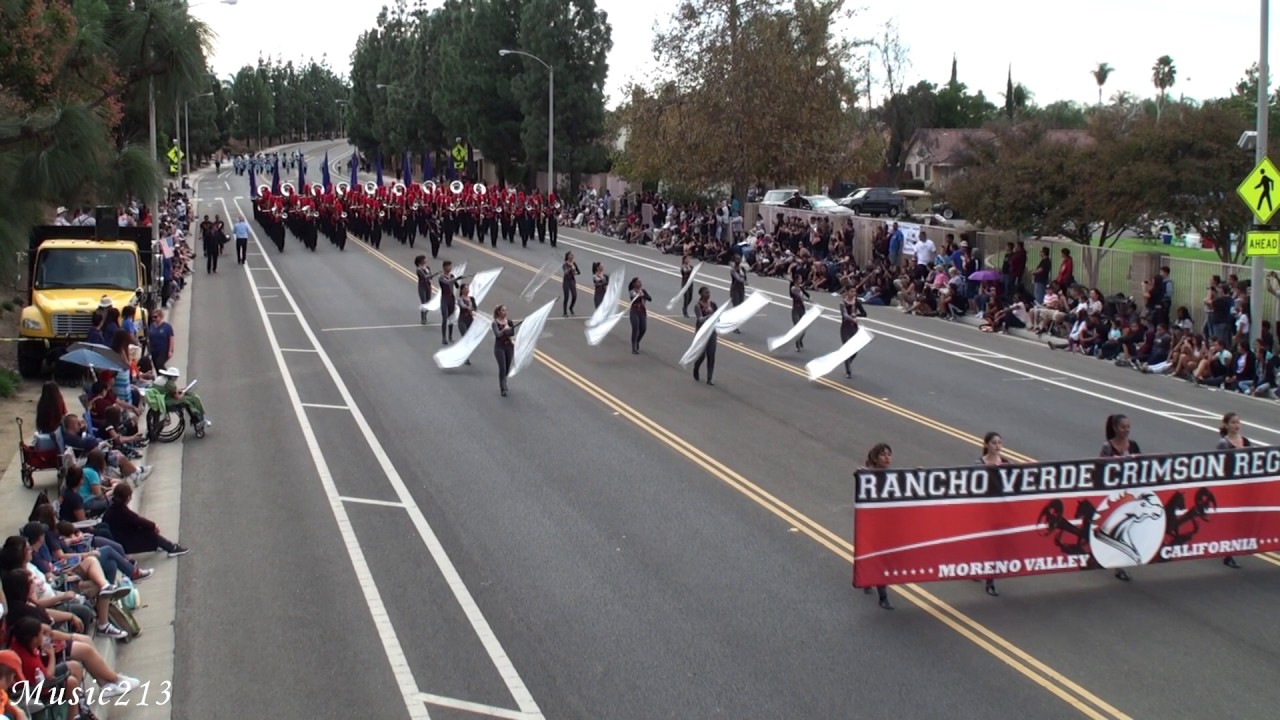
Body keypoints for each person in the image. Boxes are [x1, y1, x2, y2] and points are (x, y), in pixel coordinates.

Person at [1100, 414, 1141, 581]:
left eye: (1128, 427)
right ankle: (1119, 566)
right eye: (1123, 427)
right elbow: (1101, 468)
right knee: (1117, 528)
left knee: (1129, 528)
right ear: (1116, 428)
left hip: (1131, 493)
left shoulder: (1134, 445)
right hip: (1115, 494)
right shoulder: (1108, 447)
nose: (1127, 430)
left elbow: (1143, 465)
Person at [102, 484, 188, 557]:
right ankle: (171, 548)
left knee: (143, 529)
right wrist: (153, 526)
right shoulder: (122, 511)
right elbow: (138, 520)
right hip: (122, 543)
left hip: (115, 539)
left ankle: (164, 545)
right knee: (150, 534)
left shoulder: (111, 509)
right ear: (128, 498)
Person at [859, 443, 894, 610]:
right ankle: (883, 597)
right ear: (875, 458)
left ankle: (867, 577)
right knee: (880, 558)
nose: (887, 457)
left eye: (889, 454)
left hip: (889, 525)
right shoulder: (868, 476)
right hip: (873, 525)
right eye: (883, 454)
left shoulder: (896, 476)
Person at [974, 433, 1007, 597]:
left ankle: (990, 581)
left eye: (1000, 443)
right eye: (994, 443)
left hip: (999, 510)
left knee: (995, 545)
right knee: (982, 542)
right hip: (983, 509)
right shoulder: (979, 464)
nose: (997, 446)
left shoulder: (1006, 464)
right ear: (986, 445)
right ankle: (974, 567)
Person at [1216, 412, 1250, 569]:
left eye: (1238, 422)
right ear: (1226, 425)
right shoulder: (1223, 443)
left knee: (1243, 518)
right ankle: (1228, 554)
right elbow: (1219, 465)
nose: (1237, 425)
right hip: (1230, 486)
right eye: (1233, 422)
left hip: (1245, 485)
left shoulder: (1246, 441)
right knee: (1232, 519)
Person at [692, 287, 718, 385]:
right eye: (706, 293)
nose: (708, 294)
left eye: (709, 292)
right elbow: (700, 319)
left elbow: (718, 315)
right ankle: (696, 366)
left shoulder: (713, 304)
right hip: (702, 332)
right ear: (701, 294)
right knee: (702, 355)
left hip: (712, 332)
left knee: (711, 355)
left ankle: (709, 378)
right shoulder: (698, 306)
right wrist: (709, 317)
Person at [492, 305, 518, 397]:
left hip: (509, 347)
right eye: (503, 310)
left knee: (507, 368)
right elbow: (498, 335)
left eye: (506, 310)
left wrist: (509, 329)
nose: (505, 312)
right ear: (498, 312)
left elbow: (512, 333)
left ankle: (504, 379)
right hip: (499, 348)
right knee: (502, 368)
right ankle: (503, 388)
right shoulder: (495, 323)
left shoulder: (510, 322)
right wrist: (504, 329)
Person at [839, 287, 861, 379]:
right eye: (851, 291)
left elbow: (864, 313)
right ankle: (848, 371)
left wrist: (856, 315)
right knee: (847, 348)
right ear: (847, 292)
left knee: (855, 349)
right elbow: (844, 314)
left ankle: (847, 362)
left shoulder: (857, 302)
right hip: (845, 327)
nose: (853, 293)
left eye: (855, 291)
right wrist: (852, 318)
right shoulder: (842, 303)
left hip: (854, 328)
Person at [628, 278, 652, 355]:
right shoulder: (632, 292)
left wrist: (644, 295)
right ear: (634, 284)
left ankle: (637, 341)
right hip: (634, 312)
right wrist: (639, 295)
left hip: (642, 312)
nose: (640, 283)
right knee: (635, 329)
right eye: (638, 282)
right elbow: (634, 299)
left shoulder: (643, 291)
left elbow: (650, 298)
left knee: (643, 329)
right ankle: (633, 347)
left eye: (640, 282)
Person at [788, 272, 810, 351]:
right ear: (796, 280)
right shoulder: (793, 288)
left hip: (802, 309)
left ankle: (800, 340)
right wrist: (807, 299)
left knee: (804, 328)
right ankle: (797, 345)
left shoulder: (800, 288)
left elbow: (807, 294)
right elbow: (800, 297)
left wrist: (808, 296)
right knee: (798, 328)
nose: (801, 280)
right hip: (796, 309)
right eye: (800, 279)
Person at [439, 261, 459, 345]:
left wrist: (457, 280)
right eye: (448, 267)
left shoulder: (452, 276)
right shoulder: (441, 277)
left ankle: (450, 336)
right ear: (444, 267)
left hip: (451, 299)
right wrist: (455, 279)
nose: (450, 268)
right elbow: (447, 282)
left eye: (451, 266)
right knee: (445, 318)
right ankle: (444, 337)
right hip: (444, 299)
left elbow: (457, 286)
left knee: (451, 318)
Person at [456, 284, 476, 367]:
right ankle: (465, 357)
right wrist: (469, 307)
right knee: (465, 338)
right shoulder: (460, 299)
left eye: (468, 288)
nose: (467, 290)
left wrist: (472, 308)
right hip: (462, 321)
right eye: (465, 288)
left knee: (470, 339)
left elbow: (475, 308)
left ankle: (465, 354)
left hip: (470, 320)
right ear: (462, 290)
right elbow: (463, 306)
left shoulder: (472, 299)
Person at [728, 257, 747, 334]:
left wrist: (745, 280)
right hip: (735, 288)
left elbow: (745, 277)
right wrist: (744, 280)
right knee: (736, 307)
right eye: (737, 259)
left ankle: (736, 325)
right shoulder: (733, 269)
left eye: (739, 259)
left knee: (740, 307)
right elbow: (737, 277)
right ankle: (734, 326)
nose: (738, 261)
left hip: (741, 288)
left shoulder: (742, 268)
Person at [415, 255, 434, 326]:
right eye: (424, 259)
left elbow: (430, 275)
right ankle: (423, 318)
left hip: (428, 286)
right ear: (421, 261)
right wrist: (430, 275)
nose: (426, 260)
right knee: (424, 302)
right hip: (422, 287)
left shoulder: (428, 268)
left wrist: (431, 276)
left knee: (428, 303)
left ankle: (425, 314)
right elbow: (424, 276)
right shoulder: (418, 269)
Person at [562, 252, 580, 317]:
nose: (572, 256)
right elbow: (565, 272)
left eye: (573, 255)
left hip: (572, 281)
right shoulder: (565, 264)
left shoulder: (574, 263)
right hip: (566, 281)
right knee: (566, 296)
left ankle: (571, 307)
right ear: (567, 256)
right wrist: (570, 269)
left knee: (574, 296)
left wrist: (575, 272)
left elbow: (578, 272)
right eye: (571, 255)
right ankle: (565, 312)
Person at [680, 253, 695, 318]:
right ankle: (685, 311)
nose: (688, 259)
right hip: (685, 283)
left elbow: (694, 270)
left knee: (690, 298)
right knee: (686, 297)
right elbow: (685, 271)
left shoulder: (691, 266)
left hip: (690, 283)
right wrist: (689, 268)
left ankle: (685, 307)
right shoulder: (683, 266)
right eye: (687, 259)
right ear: (684, 260)